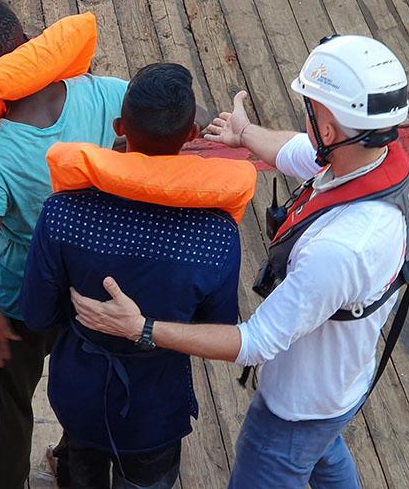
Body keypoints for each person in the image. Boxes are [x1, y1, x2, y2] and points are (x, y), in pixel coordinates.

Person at [70, 35, 409, 489]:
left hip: (297, 408)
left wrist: (142, 328)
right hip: (340, 384)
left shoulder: (340, 249)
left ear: (332, 131)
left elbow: (255, 341)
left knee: (295, 455)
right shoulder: (375, 158)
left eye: (311, 108)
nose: (306, 115)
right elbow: (301, 152)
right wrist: (244, 135)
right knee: (325, 457)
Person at [18, 63, 245, 489]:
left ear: (121, 127)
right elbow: (218, 329)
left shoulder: (63, 213)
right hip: (155, 408)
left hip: (79, 393)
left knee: (80, 472)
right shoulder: (217, 234)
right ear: (192, 133)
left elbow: (36, 314)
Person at [0, 0, 128, 489]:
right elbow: (182, 117)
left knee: (9, 411)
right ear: (30, 45)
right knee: (84, 392)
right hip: (90, 289)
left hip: (18, 300)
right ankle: (71, 467)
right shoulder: (104, 94)